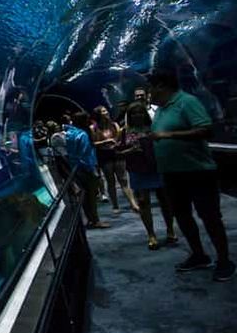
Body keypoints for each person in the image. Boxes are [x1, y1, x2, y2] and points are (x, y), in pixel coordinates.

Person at [148, 69, 235, 281]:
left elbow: (206, 130)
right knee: (182, 216)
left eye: (150, 88)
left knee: (210, 216)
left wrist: (168, 135)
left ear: (161, 86)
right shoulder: (160, 110)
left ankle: (224, 260)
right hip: (172, 174)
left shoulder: (187, 102)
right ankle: (199, 255)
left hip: (197, 171)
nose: (148, 92)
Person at [117, 102, 176, 250]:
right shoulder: (124, 131)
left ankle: (170, 230)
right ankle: (151, 234)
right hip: (137, 170)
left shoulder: (154, 128)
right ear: (129, 116)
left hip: (157, 168)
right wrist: (130, 151)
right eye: (134, 113)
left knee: (166, 201)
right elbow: (117, 152)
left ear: (145, 114)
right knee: (143, 203)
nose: (138, 115)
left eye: (140, 112)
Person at [90, 106, 140, 215]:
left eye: (106, 110)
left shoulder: (115, 125)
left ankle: (133, 204)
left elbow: (118, 139)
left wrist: (117, 142)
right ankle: (115, 205)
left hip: (117, 154)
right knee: (111, 181)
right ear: (98, 114)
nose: (106, 112)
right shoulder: (93, 128)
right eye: (103, 111)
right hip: (104, 155)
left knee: (123, 179)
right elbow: (93, 143)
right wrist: (105, 142)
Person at [66, 111, 110, 229]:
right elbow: (85, 154)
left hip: (76, 168)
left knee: (84, 197)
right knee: (92, 196)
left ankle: (89, 219)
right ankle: (96, 220)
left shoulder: (69, 133)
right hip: (87, 168)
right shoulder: (83, 135)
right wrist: (92, 169)